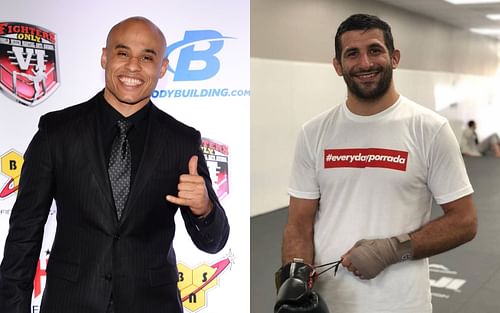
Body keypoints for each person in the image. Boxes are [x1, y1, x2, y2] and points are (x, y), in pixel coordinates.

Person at [0, 16, 229, 313]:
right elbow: (23, 237)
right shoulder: (57, 132)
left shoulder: (182, 141)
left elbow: (214, 243)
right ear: (105, 57)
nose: (133, 66)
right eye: (122, 53)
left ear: (162, 68)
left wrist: (204, 209)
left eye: (147, 57)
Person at [278, 14, 477, 313]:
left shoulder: (429, 129)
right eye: (352, 54)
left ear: (394, 57)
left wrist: (392, 250)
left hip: (402, 303)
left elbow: (465, 221)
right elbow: (298, 224)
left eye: (375, 50)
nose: (365, 63)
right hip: (328, 302)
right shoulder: (314, 132)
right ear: (337, 65)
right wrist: (294, 280)